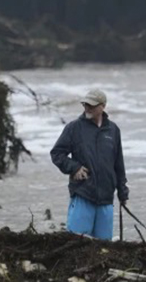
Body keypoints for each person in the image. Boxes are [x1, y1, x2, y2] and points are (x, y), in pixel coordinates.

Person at [50, 89, 128, 240]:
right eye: (85, 104)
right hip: (83, 193)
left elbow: (119, 164)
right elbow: (57, 154)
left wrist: (122, 192)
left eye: (91, 105)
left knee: (104, 246)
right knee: (76, 242)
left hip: (106, 198)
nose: (87, 108)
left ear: (103, 106)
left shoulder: (113, 130)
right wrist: (74, 168)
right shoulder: (74, 128)